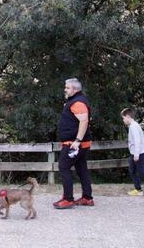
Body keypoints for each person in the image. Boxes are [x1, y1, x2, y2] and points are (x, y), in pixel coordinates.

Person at [53, 77, 94, 209]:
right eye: (65, 87)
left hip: (75, 144)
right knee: (82, 170)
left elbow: (84, 121)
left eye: (67, 87)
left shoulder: (78, 102)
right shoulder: (74, 101)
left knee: (63, 167)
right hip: (79, 143)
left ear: (75, 89)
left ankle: (68, 199)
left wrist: (77, 141)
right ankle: (87, 198)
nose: (65, 89)